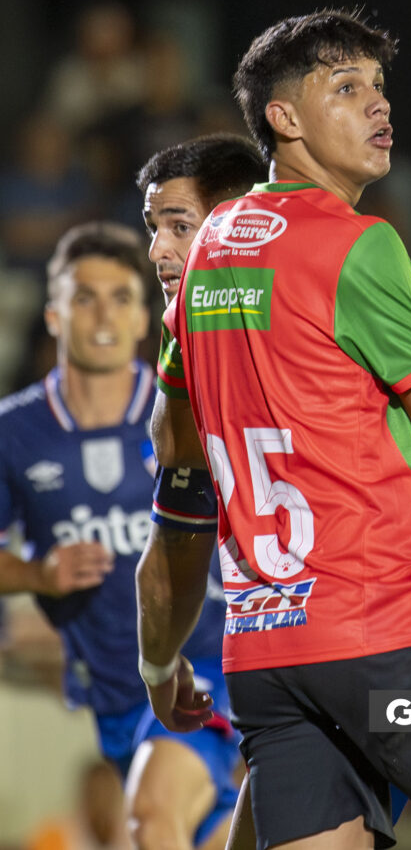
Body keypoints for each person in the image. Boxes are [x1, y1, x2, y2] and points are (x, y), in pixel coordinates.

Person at [139, 9, 411, 849]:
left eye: (379, 88)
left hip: (266, 654)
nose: (379, 107)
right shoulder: (362, 246)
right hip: (400, 639)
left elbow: (175, 447)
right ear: (281, 120)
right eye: (347, 88)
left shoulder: (208, 246)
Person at [0, 221, 237, 850]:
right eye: (84, 296)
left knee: (148, 822)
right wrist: (36, 575)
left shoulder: (190, 413)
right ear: (53, 314)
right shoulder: (13, 433)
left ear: (144, 318)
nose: (103, 313)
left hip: (204, 677)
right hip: (112, 696)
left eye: (121, 297)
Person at [128, 135, 268, 850]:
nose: (156, 251)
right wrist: (158, 666)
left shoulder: (340, 286)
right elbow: (175, 536)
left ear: (240, 219)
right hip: (280, 665)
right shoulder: (186, 345)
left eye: (178, 227)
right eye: (154, 229)